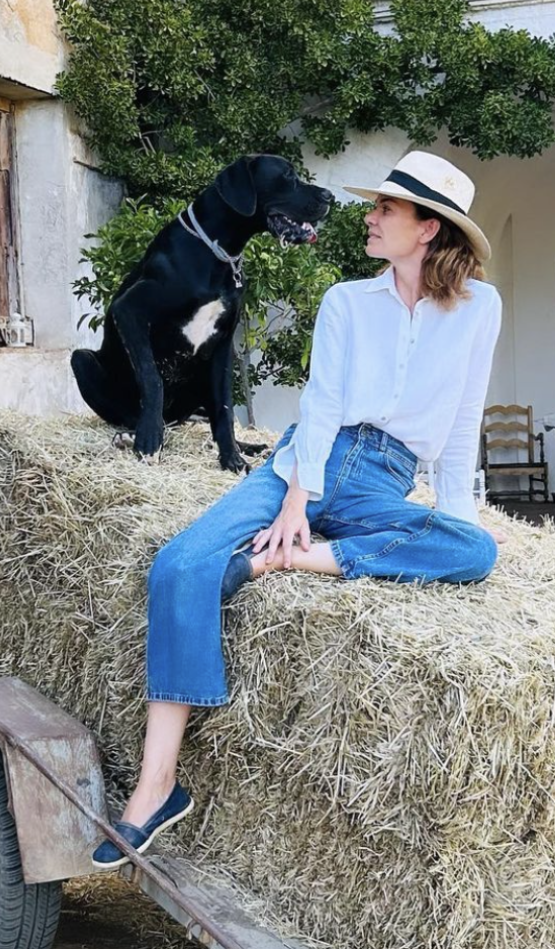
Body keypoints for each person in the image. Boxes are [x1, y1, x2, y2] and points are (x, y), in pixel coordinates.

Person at [93, 151, 505, 867]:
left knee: (475, 552)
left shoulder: (481, 311)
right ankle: (157, 785)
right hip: (307, 461)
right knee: (178, 564)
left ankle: (282, 561)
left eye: (386, 209)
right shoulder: (348, 300)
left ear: (428, 230)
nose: (369, 218)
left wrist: (455, 516)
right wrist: (295, 496)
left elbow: (463, 422)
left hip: (387, 478)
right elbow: (320, 406)